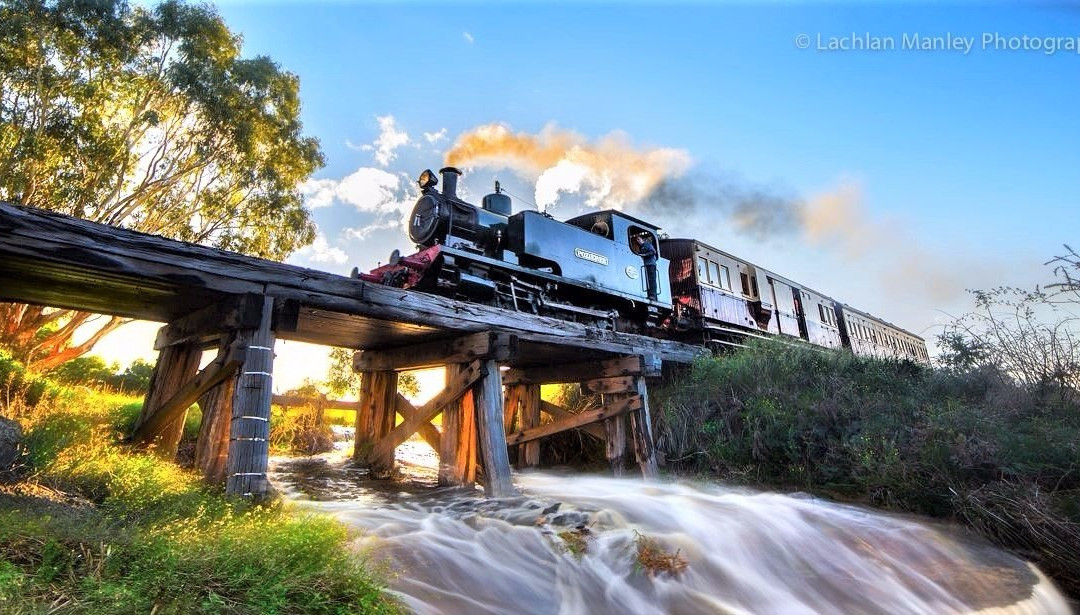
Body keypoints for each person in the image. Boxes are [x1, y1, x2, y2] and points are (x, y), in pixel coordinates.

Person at [636, 234, 659, 300]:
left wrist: (643, 255)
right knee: (648, 280)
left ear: (642, 240)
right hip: (646, 265)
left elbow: (653, 252)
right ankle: (650, 295)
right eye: (636, 240)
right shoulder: (641, 247)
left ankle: (653, 296)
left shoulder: (647, 244)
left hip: (651, 264)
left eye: (638, 239)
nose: (637, 241)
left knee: (652, 280)